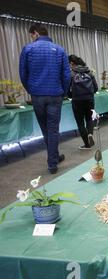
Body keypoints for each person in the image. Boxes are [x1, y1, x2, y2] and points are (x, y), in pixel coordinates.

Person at [19, 23, 71, 174]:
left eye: (31, 35)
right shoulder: (60, 50)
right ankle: (52, 162)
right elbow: (66, 75)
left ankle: (53, 159)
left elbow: (23, 74)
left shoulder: (27, 49)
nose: (32, 38)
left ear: (35, 33)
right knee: (53, 130)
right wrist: (64, 92)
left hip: (37, 96)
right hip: (55, 95)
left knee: (45, 130)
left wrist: (31, 89)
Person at [68, 55, 98, 150]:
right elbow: (96, 88)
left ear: (72, 63)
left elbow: (67, 90)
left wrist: (71, 96)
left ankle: (87, 144)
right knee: (89, 119)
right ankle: (90, 134)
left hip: (77, 101)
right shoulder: (89, 72)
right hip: (89, 99)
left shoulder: (71, 74)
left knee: (80, 123)